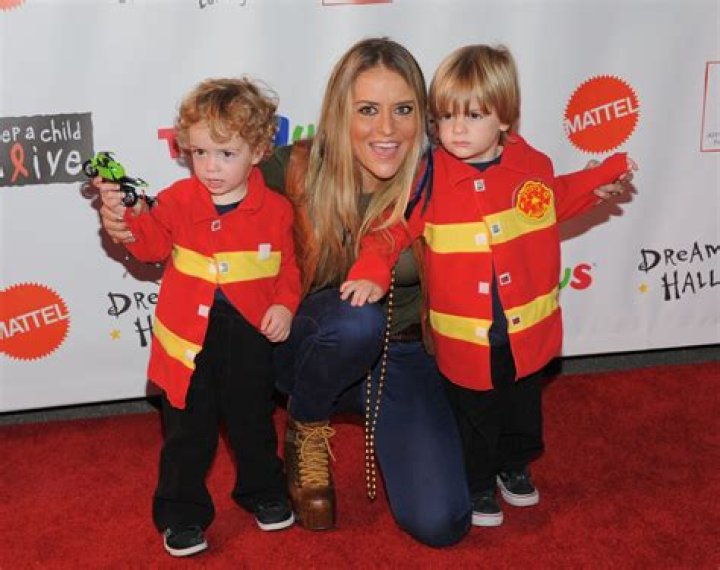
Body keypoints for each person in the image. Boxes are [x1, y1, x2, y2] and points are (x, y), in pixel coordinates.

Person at [96, 38, 630, 546]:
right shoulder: (291, 167)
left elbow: (528, 196)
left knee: (441, 522)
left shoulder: (442, 173)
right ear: (339, 112)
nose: (387, 128)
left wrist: (587, 184)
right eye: (368, 109)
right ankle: (307, 426)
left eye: (403, 110)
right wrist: (129, 221)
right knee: (356, 319)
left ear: (424, 117)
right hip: (303, 346)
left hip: (405, 356)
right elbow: (202, 195)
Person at [342, 44, 637, 528]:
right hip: (465, 338)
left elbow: (554, 200)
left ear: (504, 118)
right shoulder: (427, 178)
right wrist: (371, 270)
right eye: (446, 117)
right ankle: (478, 481)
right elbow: (390, 231)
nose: (456, 129)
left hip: (525, 332)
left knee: (522, 408)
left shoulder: (530, 166)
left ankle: (514, 465)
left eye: (473, 115)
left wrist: (598, 180)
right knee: (474, 413)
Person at [113, 77, 301, 557]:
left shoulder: (277, 211)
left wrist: (284, 305)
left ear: (259, 151)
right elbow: (151, 248)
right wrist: (128, 219)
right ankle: (181, 514)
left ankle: (263, 491)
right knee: (187, 433)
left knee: (253, 423)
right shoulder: (176, 200)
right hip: (187, 343)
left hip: (249, 340)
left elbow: (288, 270)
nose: (210, 167)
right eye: (199, 153)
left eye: (226, 153)